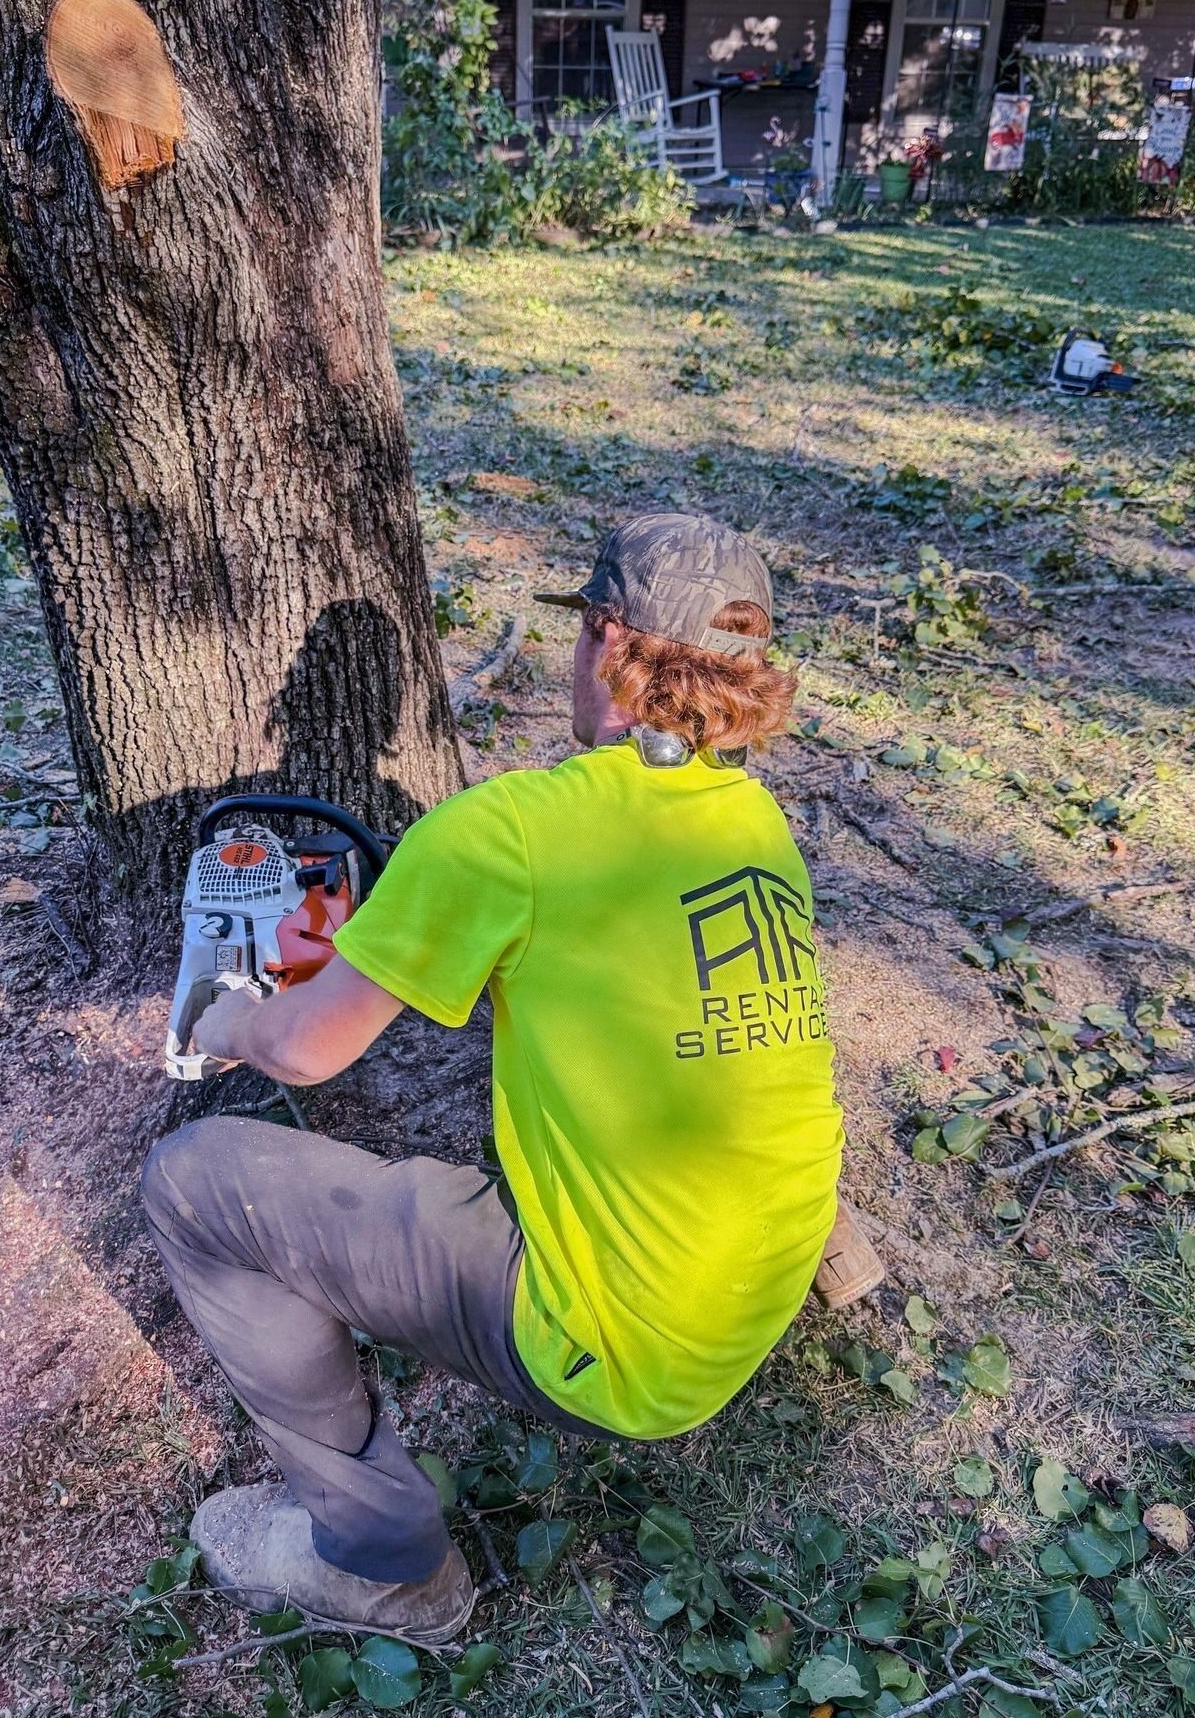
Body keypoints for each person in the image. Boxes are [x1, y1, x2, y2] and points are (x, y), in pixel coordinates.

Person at [140, 512, 882, 1642]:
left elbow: (305, 1050)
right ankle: (822, 1264)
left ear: (603, 639)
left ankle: (382, 1568)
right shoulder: (756, 821)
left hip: (631, 1353)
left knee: (193, 1183)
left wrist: (223, 1012)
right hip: (759, 1279)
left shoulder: (513, 831)